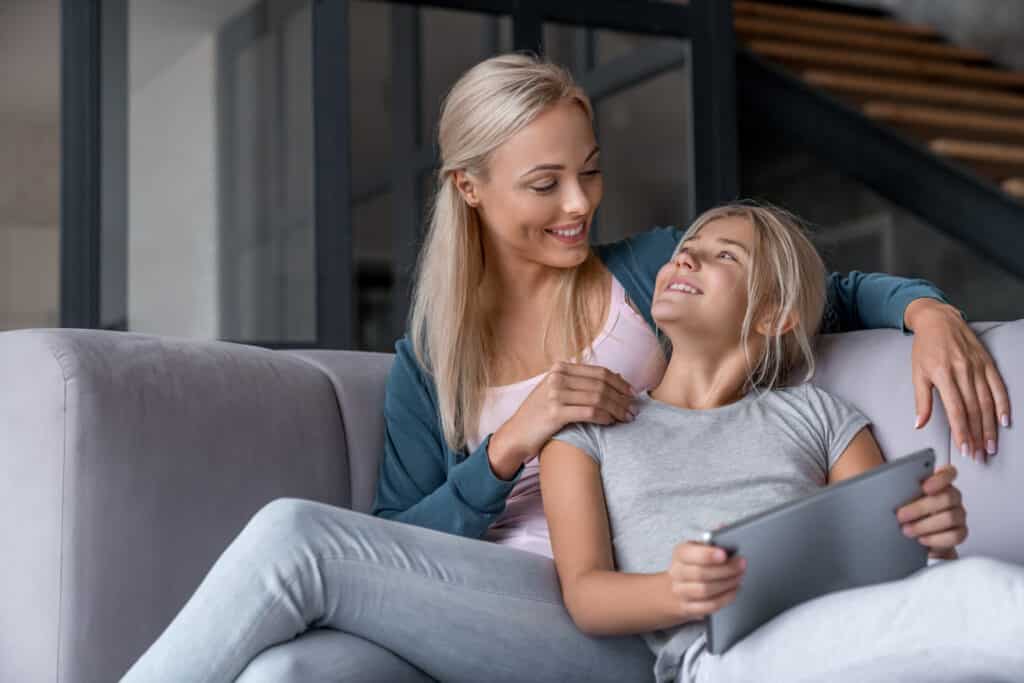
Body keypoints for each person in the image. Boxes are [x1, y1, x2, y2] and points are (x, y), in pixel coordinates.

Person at [122, 54, 1012, 682]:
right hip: (485, 612)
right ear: (471, 187)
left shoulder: (652, 273)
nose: (581, 203)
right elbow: (404, 533)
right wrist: (508, 445)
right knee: (291, 671)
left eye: (588, 172)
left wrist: (926, 310)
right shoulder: (429, 363)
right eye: (545, 184)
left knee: (293, 539)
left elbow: (815, 286)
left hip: (613, 615)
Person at [539, 202, 1024, 683]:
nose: (684, 259)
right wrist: (676, 591)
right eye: (686, 250)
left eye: (725, 256)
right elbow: (585, 596)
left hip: (847, 634)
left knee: (966, 589)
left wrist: (934, 541)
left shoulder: (819, 414)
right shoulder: (588, 432)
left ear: (773, 316)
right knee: (977, 596)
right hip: (725, 658)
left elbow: (892, 570)